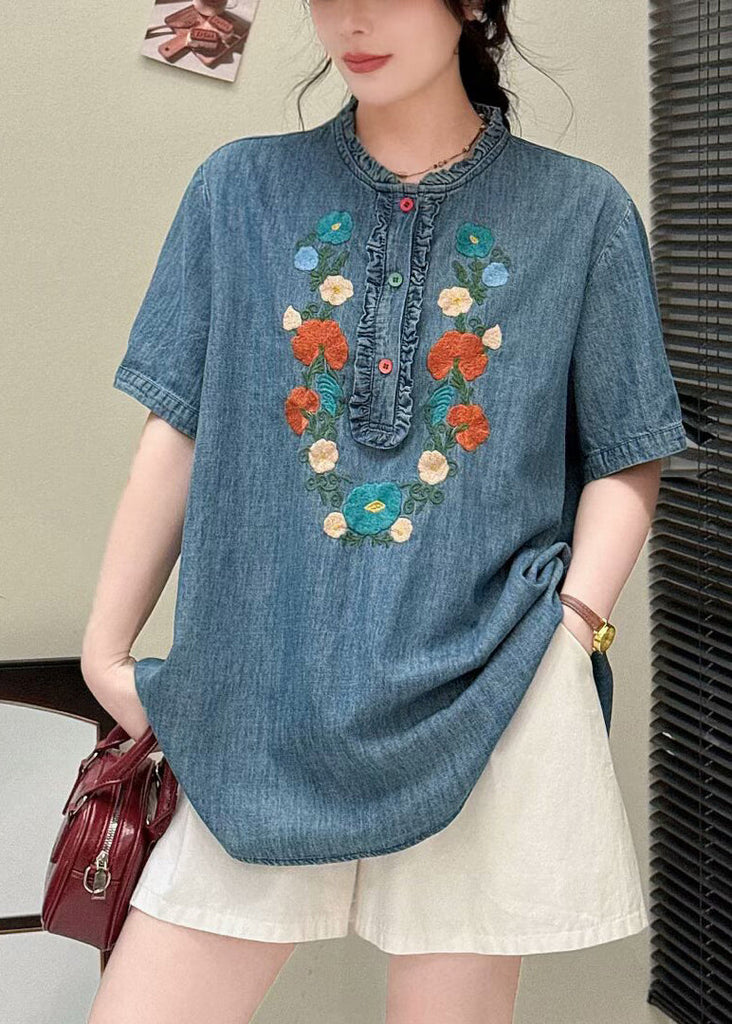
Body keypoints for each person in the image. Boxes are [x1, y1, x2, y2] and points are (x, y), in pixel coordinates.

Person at [82, 1, 689, 1022]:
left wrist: (572, 626)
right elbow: (175, 431)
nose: (353, 19)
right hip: (263, 698)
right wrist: (107, 652)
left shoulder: (580, 212)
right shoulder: (239, 190)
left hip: (488, 693)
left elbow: (629, 452)